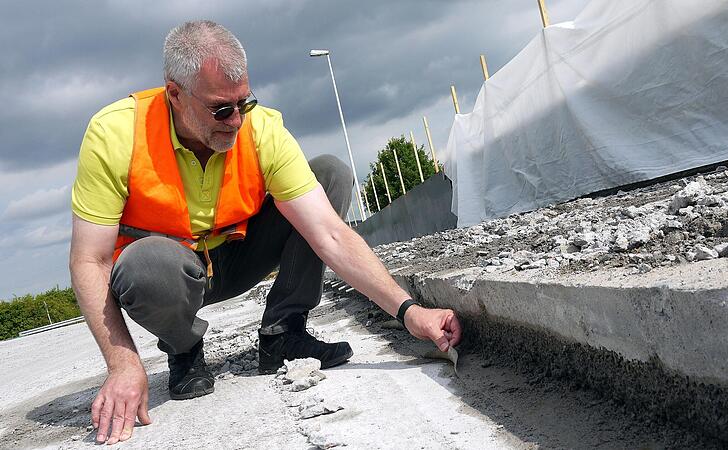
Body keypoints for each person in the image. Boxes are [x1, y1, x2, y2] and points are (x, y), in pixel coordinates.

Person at [69, 20, 462, 445]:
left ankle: (283, 335)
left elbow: (329, 233)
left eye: (245, 103)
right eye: (221, 109)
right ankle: (183, 348)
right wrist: (123, 363)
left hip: (240, 256)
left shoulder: (260, 129)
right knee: (146, 265)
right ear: (176, 94)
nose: (236, 120)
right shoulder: (117, 133)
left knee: (329, 174)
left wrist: (409, 312)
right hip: (169, 275)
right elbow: (90, 260)